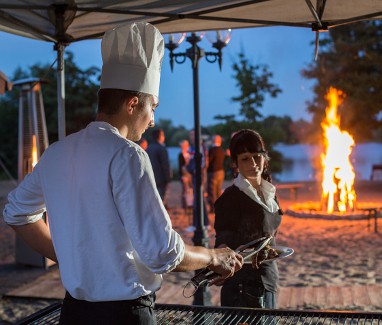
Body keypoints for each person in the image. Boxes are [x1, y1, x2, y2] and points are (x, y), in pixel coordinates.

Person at [2, 22, 243, 324]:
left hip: (73, 313)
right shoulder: (128, 155)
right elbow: (162, 254)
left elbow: (17, 213)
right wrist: (213, 256)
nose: (152, 120)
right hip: (125, 315)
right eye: (152, 107)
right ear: (132, 104)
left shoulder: (57, 153)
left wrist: (70, 256)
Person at [214, 129, 283, 309]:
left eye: (256, 156)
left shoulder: (270, 192)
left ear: (264, 158)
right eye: (245, 158)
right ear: (235, 163)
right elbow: (222, 240)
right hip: (241, 288)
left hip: (268, 279)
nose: (253, 163)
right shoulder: (229, 199)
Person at [186, 129, 209, 232]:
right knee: (197, 199)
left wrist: (197, 170)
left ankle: (202, 224)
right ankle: (198, 224)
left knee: (199, 199)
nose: (191, 136)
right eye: (190, 134)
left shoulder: (199, 146)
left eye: (192, 134)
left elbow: (203, 161)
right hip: (196, 175)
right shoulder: (194, 146)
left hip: (199, 175)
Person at [146, 128, 171, 204]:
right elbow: (165, 165)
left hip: (150, 177)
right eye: (163, 135)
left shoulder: (148, 148)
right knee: (160, 201)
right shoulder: (162, 148)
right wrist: (168, 178)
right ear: (160, 136)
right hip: (161, 179)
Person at [207, 134, 226, 213]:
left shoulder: (212, 150)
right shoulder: (222, 150)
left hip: (213, 172)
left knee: (212, 191)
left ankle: (213, 208)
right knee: (218, 190)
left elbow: (209, 161)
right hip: (221, 172)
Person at [178, 139, 193, 210]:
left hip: (190, 174)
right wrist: (183, 175)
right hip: (184, 175)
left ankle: (190, 204)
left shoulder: (190, 153)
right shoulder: (181, 155)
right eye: (183, 145)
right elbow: (181, 166)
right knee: (185, 190)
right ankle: (185, 205)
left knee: (190, 190)